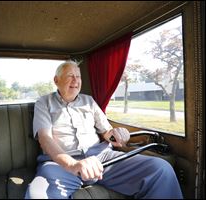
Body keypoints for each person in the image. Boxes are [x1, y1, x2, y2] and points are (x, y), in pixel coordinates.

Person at [25, 60, 183, 199]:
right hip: (60, 165)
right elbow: (45, 138)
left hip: (103, 158)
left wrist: (118, 135)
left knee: (161, 169)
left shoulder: (89, 101)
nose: (75, 80)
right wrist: (72, 165)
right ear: (56, 80)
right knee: (38, 195)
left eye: (78, 76)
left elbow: (108, 132)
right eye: (70, 76)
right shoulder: (44, 102)